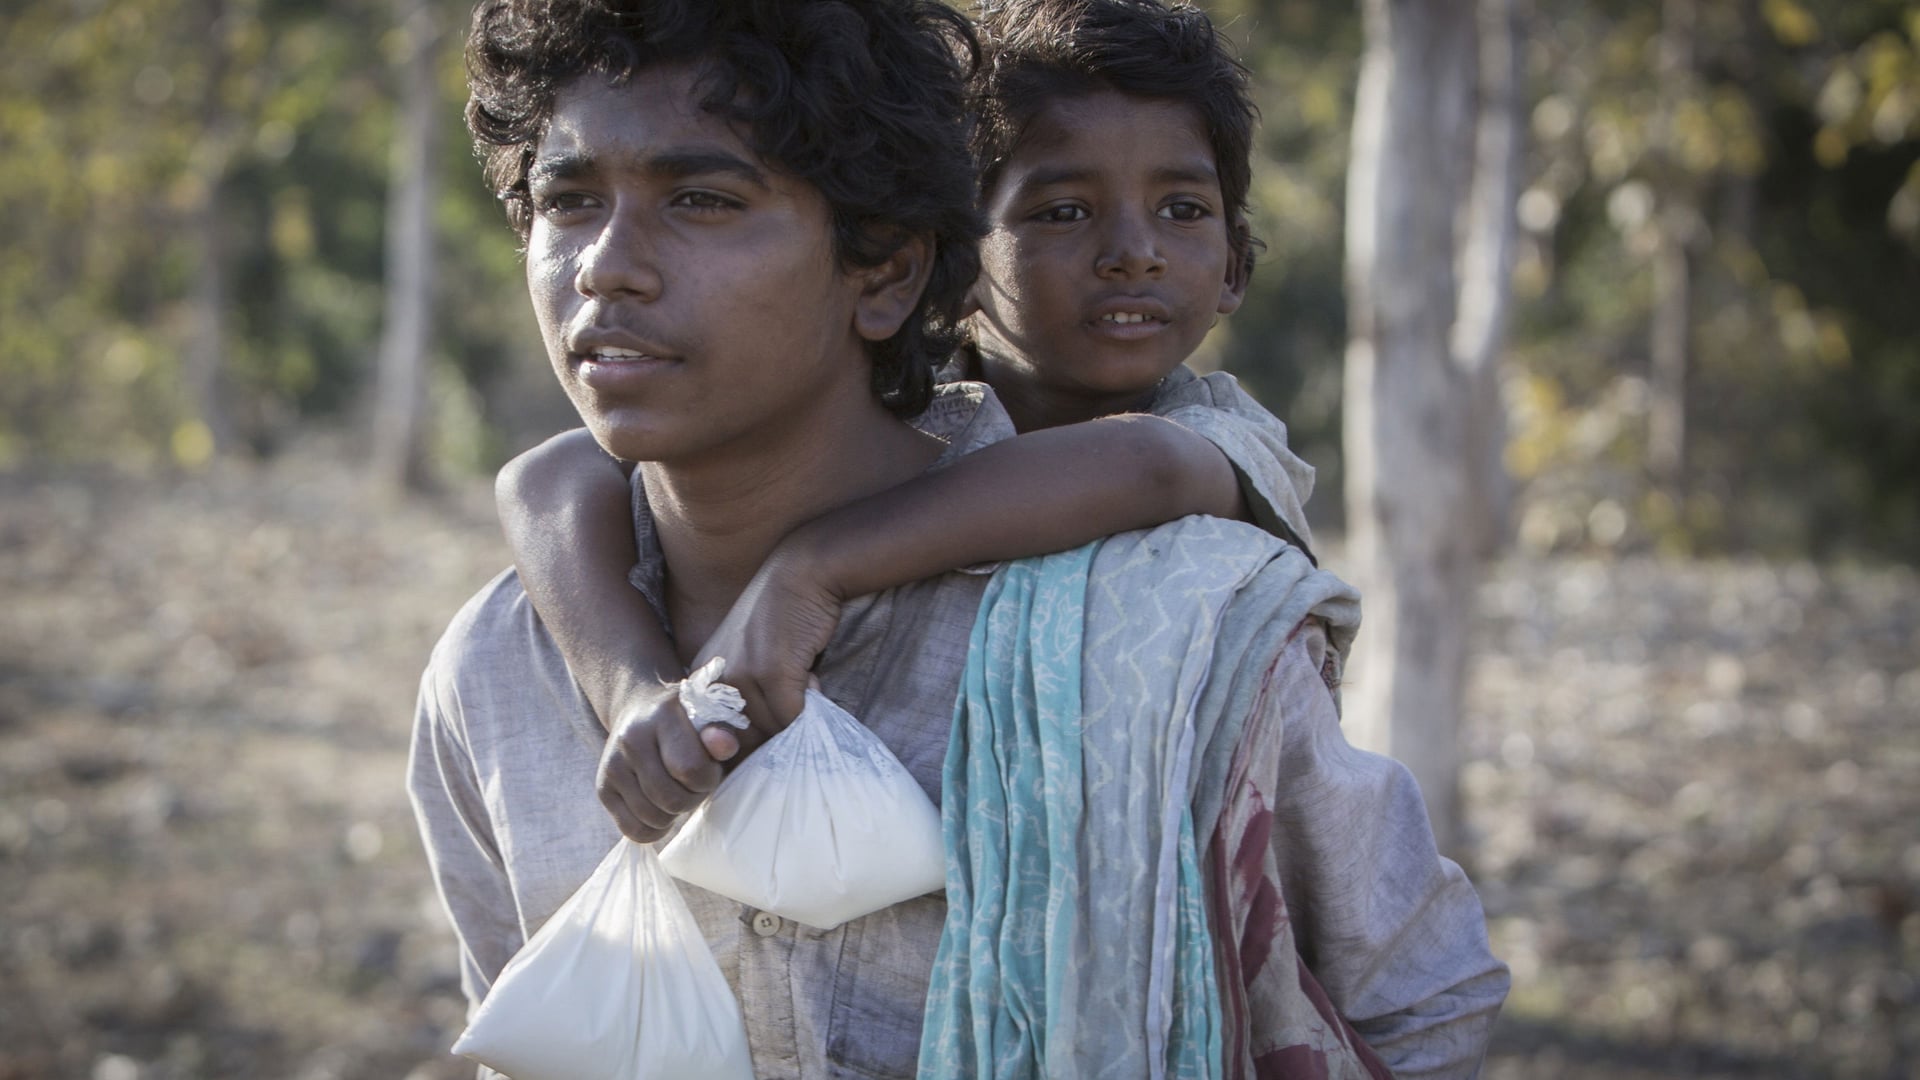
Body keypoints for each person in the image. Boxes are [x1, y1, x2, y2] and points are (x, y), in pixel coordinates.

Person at [409, 0, 1507, 1076]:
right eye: (569, 202)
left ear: (885, 269)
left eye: (700, 198)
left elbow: (1421, 1010)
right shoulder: (504, 672)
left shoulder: (1162, 640)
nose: (607, 265)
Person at [496, 0, 1324, 850]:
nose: (1133, 252)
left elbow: (1148, 464)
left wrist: (810, 569)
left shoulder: (1205, 447)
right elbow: (541, 479)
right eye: (1062, 212)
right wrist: (630, 685)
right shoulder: (898, 399)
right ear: (962, 261)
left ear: (1235, 265)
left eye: (1183, 210)